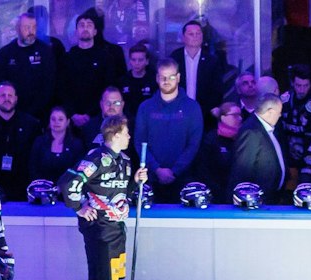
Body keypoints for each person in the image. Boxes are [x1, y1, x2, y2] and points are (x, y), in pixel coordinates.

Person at [59, 114, 140, 280]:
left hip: (117, 228)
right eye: (126, 132)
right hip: (98, 228)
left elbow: (124, 192)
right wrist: (79, 208)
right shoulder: (97, 158)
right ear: (114, 135)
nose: (129, 136)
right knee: (100, 276)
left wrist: (135, 182)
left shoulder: (125, 161)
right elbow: (68, 183)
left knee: (112, 277)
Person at [138, 58, 204, 199]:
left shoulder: (192, 107)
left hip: (184, 179)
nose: (166, 81)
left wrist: (175, 171)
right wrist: (156, 169)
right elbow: (139, 142)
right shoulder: (145, 107)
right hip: (152, 180)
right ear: (157, 78)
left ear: (178, 77)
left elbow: (194, 144)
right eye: (163, 77)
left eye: (171, 77)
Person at [61, 8, 125, 128]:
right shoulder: (67, 58)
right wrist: (72, 113)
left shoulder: (106, 58)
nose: (85, 28)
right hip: (71, 119)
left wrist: (91, 114)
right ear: (76, 31)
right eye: (81, 25)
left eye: (89, 25)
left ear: (95, 31)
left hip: (98, 117)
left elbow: (108, 87)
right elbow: (62, 89)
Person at [0, 81, 40, 198]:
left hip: (23, 185)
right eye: (3, 95)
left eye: (10, 95)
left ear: (16, 98)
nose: (7, 99)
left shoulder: (31, 125)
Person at [0, 11, 61, 119]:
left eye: (33, 27)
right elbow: (0, 84)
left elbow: (50, 85)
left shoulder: (45, 52)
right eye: (27, 27)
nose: (31, 31)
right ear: (18, 29)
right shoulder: (5, 54)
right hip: (13, 113)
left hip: (40, 114)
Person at [275, 64, 311, 185]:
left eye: (305, 86)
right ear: (292, 83)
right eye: (298, 85)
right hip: (287, 153)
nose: (302, 90)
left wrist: (308, 163)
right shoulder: (284, 100)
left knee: (306, 180)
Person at [228, 93, 287, 198]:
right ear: (270, 112)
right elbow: (242, 169)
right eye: (279, 112)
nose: (280, 115)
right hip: (256, 200)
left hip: (268, 197)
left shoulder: (267, 129)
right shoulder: (251, 132)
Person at [173, 18, 231, 110]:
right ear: (183, 37)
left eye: (198, 33)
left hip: (204, 112)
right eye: (191, 34)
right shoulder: (174, 58)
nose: (195, 36)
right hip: (177, 111)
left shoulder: (212, 60)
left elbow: (217, 90)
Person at [26, 104, 88, 186]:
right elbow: (33, 167)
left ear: (67, 122)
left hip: (68, 191)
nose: (56, 122)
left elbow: (79, 169)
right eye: (53, 119)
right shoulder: (40, 142)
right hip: (42, 191)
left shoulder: (76, 144)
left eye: (60, 119)